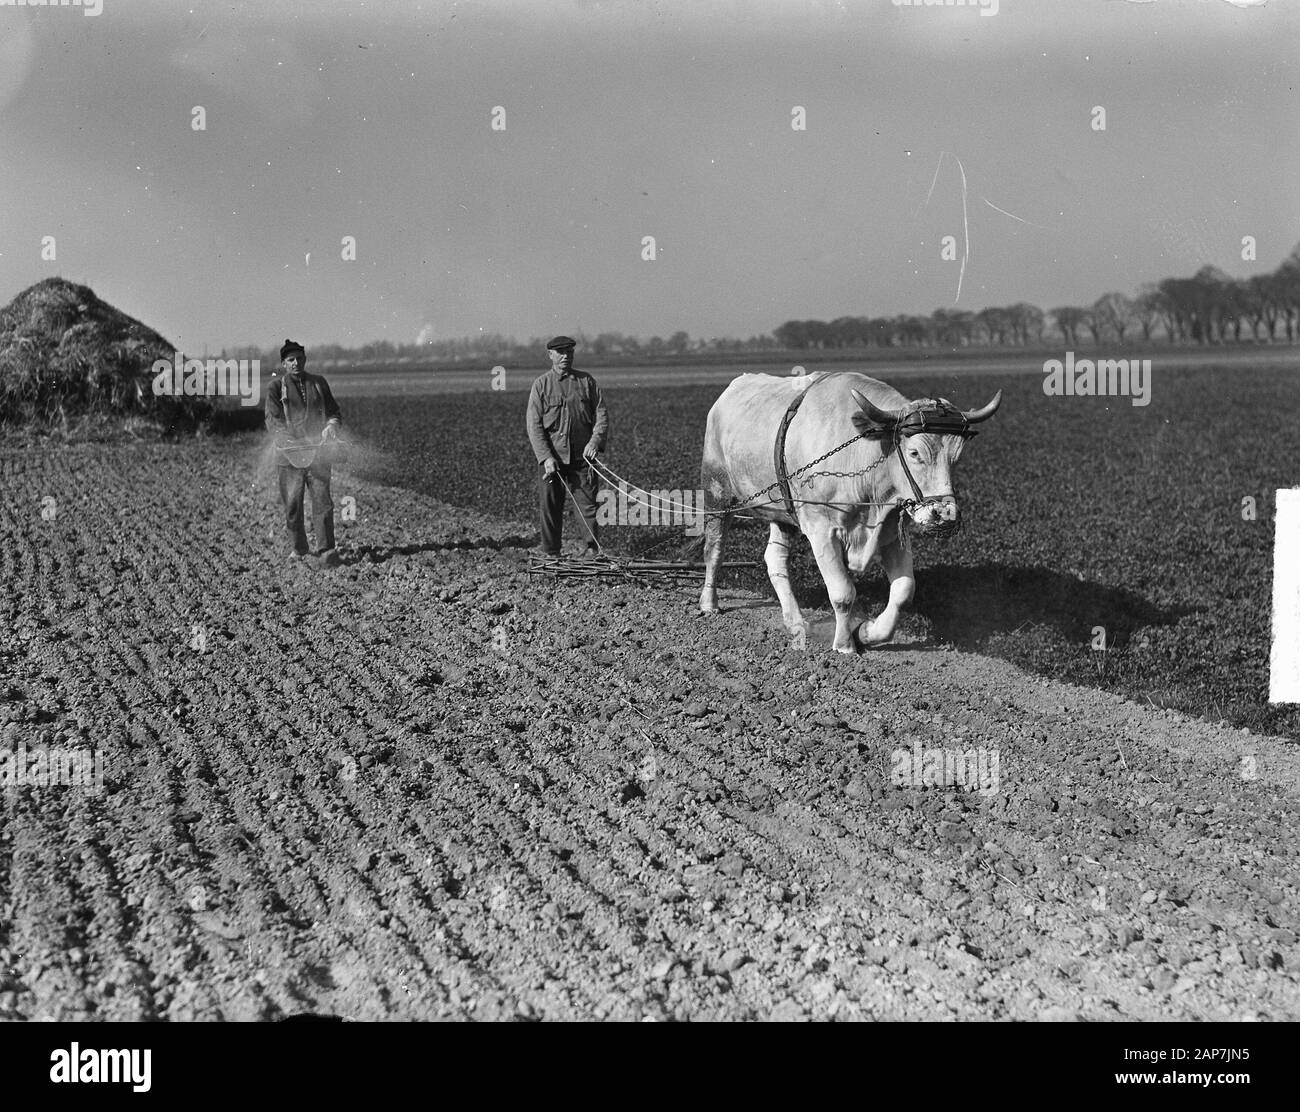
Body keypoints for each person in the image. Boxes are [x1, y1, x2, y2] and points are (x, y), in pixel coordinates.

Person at [525, 336, 608, 558]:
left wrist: (595, 441)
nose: (565, 356)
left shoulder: (586, 382)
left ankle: (592, 549)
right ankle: (551, 552)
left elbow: (601, 414)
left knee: (588, 506)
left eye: (569, 352)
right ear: (550, 355)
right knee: (550, 506)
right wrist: (545, 457)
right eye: (560, 352)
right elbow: (533, 425)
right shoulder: (541, 385)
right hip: (553, 460)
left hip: (583, 458)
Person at [264, 339, 344, 566]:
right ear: (283, 364)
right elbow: (273, 422)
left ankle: (326, 550)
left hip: (318, 455)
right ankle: (299, 548)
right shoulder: (275, 388)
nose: (296, 363)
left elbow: (334, 412)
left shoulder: (319, 383)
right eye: (291, 360)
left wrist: (331, 426)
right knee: (292, 505)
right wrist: (288, 441)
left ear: (305, 359)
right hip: (289, 458)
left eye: (299, 358)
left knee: (323, 502)